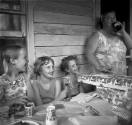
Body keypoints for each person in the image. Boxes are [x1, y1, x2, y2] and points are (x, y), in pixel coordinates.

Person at [85, 9, 132, 75]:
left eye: (114, 18)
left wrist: (123, 32)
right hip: (105, 80)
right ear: (102, 19)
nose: (113, 20)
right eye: (109, 18)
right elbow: (89, 53)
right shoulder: (97, 36)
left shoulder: (120, 35)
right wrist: (99, 67)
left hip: (121, 78)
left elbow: (130, 46)